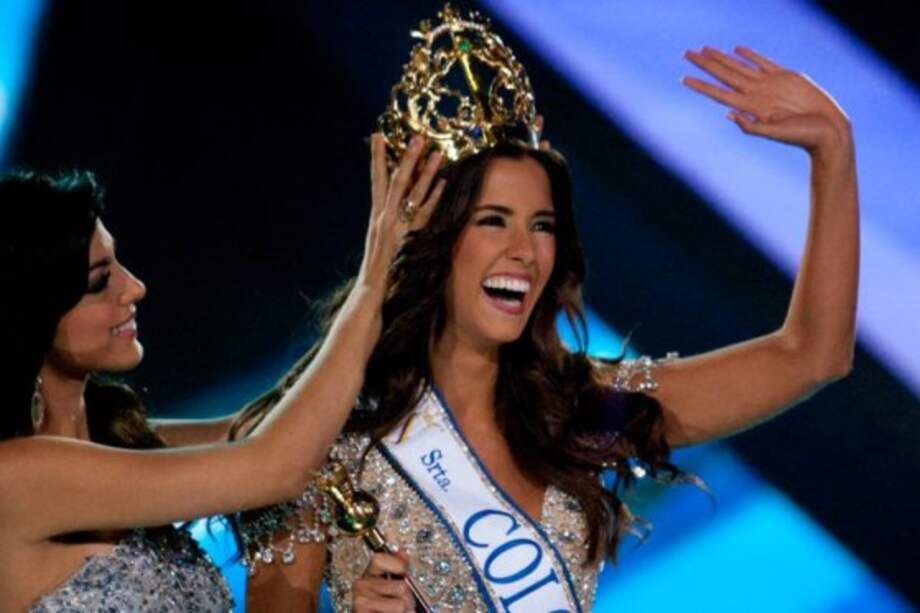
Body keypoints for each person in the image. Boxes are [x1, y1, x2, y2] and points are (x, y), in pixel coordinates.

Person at [237, 11, 858, 613]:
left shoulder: (578, 407)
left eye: (542, 225)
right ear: (432, 243)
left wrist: (833, 151)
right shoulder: (322, 442)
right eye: (492, 221)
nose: (525, 252)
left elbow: (811, 355)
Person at [0, 138, 444, 611]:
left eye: (119, 264)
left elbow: (267, 422)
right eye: (98, 281)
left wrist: (401, 272)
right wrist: (374, 273)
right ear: (29, 313)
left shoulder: (125, 441)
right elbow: (275, 464)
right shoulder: (15, 477)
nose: (135, 287)